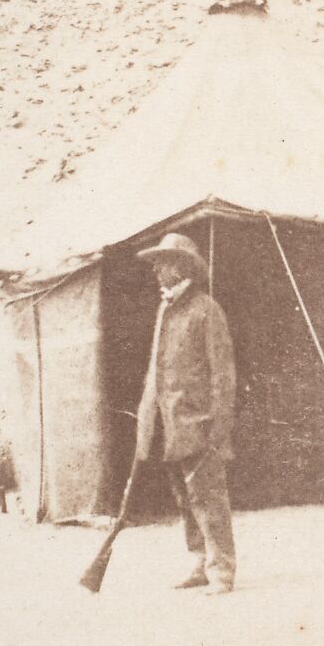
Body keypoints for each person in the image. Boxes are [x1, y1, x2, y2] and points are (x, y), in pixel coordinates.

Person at [135, 232, 237, 596]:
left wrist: (218, 429)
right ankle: (199, 561)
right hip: (171, 423)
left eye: (163, 263)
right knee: (185, 497)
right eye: (156, 264)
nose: (157, 270)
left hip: (200, 423)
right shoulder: (164, 310)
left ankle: (221, 570)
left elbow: (223, 375)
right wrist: (147, 419)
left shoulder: (206, 309)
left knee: (208, 497)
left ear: (181, 267)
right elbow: (155, 370)